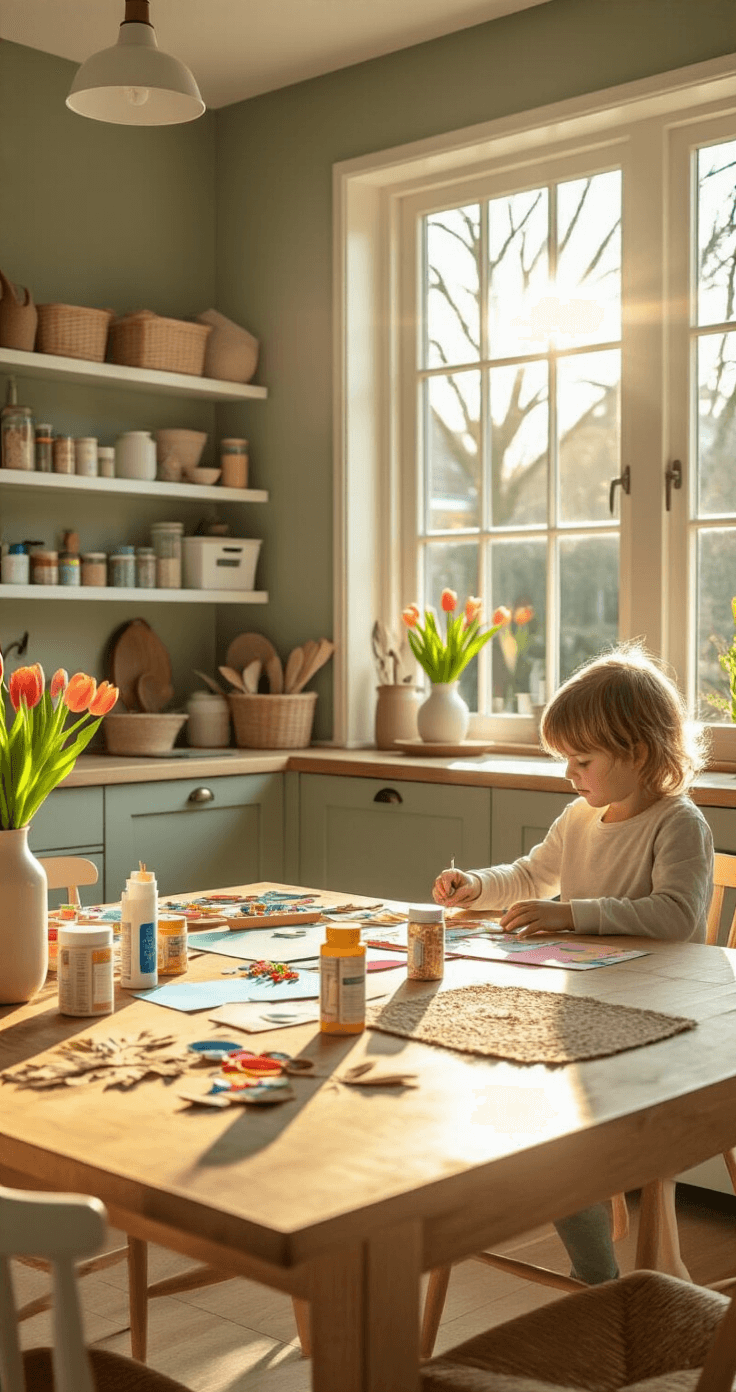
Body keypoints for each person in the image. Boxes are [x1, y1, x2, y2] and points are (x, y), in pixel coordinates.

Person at [433, 643, 714, 1285]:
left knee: (566, 1126)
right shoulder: (580, 816)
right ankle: (597, 1269)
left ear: (639, 753)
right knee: (536, 1107)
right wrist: (478, 884)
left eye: (582, 760)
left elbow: (674, 916)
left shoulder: (679, 823)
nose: (569, 774)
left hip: (663, 1018)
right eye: (566, 759)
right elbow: (532, 874)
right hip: (591, 1010)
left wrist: (572, 913)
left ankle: (602, 1273)